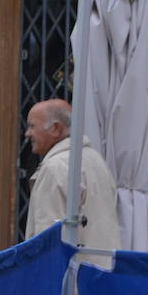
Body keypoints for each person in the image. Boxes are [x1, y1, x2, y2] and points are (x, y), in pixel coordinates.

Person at [24, 99, 120, 266]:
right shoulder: (95, 159)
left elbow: (49, 238)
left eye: (32, 126)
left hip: (71, 281)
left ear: (56, 129)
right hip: (101, 274)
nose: (27, 133)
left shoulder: (55, 168)